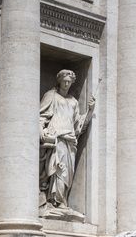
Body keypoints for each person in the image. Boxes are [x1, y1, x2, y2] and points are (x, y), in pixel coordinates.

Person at [39, 69, 95, 208]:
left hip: (70, 140)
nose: (66, 83)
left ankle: (62, 199)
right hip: (57, 137)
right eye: (64, 81)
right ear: (59, 80)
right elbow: (41, 116)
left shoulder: (74, 102)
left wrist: (90, 110)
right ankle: (54, 200)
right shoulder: (51, 95)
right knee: (58, 169)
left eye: (69, 82)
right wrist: (42, 132)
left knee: (67, 174)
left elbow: (79, 125)